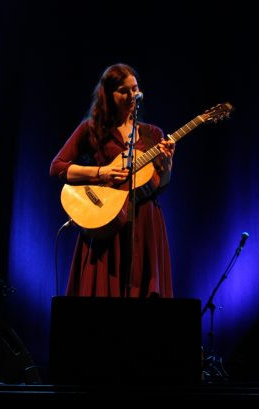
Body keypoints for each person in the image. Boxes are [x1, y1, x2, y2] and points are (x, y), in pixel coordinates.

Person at [50, 63, 175, 298]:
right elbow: (57, 167)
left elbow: (161, 184)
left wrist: (167, 165)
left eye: (135, 89)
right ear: (108, 94)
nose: (131, 96)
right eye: (123, 90)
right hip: (105, 221)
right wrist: (102, 172)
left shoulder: (153, 134)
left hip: (145, 223)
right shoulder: (91, 130)